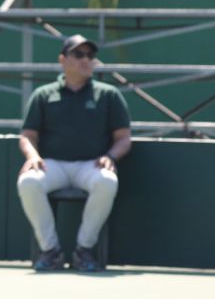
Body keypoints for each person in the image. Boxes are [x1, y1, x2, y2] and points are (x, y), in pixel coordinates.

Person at [17, 34, 131, 272]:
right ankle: (50, 251)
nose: (85, 60)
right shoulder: (43, 94)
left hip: (91, 165)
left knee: (107, 181)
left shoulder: (108, 94)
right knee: (28, 182)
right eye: (78, 54)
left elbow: (123, 139)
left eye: (90, 55)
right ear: (62, 60)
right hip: (52, 165)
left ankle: (84, 250)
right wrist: (33, 156)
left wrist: (110, 157)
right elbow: (28, 135)